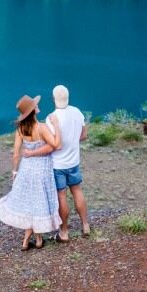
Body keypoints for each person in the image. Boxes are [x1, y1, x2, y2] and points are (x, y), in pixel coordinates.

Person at [0, 94, 62, 251]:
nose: (37, 106)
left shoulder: (20, 129)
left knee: (30, 203)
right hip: (41, 169)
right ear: (33, 111)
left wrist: (15, 172)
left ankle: (29, 240)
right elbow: (55, 144)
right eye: (35, 105)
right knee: (38, 202)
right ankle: (36, 239)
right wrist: (56, 126)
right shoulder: (42, 128)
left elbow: (16, 154)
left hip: (26, 170)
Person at [43, 84, 91, 241]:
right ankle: (85, 225)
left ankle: (64, 232)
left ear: (53, 98)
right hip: (74, 161)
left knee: (61, 196)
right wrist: (72, 142)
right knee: (77, 190)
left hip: (58, 164)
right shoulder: (77, 112)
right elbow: (84, 135)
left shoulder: (51, 118)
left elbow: (52, 144)